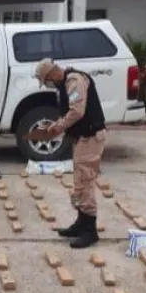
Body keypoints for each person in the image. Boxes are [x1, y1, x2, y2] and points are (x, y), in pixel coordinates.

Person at [30, 58, 107, 248]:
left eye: (46, 80)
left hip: (91, 137)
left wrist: (57, 128)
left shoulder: (74, 81)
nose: (48, 84)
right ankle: (81, 223)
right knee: (80, 181)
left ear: (52, 73)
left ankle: (90, 230)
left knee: (86, 180)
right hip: (82, 137)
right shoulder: (65, 83)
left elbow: (77, 112)